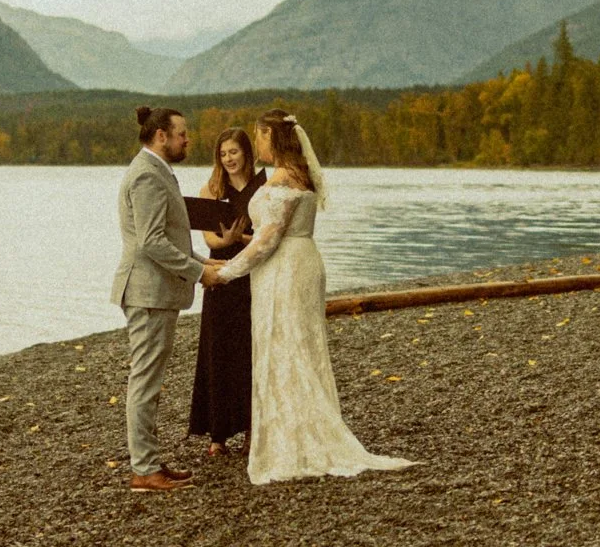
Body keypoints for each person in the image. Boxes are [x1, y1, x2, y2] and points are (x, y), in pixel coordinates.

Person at [214, 109, 413, 484]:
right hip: (302, 259)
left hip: (286, 268)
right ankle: (297, 425)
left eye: (259, 136)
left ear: (271, 136)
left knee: (284, 344)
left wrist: (224, 273)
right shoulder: (300, 174)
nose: (256, 144)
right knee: (300, 345)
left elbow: (268, 241)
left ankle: (295, 439)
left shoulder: (283, 180)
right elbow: (268, 236)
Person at [111, 105, 220, 492]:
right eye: (182, 134)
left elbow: (171, 239)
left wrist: (206, 262)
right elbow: (151, 242)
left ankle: (150, 461)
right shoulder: (146, 176)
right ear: (161, 136)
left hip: (155, 292)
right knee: (145, 382)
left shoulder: (156, 172)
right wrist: (198, 272)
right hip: (147, 293)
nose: (187, 140)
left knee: (150, 381)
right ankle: (143, 470)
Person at [188, 127, 265, 456]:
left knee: (251, 351)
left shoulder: (263, 188)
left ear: (246, 152)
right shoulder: (211, 188)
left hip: (254, 273)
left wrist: (242, 241)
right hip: (221, 274)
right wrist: (228, 241)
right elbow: (209, 240)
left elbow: (270, 235)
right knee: (217, 351)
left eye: (234, 152)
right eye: (223, 154)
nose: (228, 159)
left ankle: (251, 430)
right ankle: (217, 435)